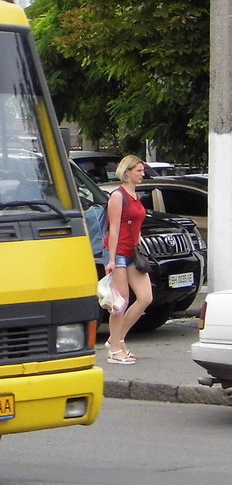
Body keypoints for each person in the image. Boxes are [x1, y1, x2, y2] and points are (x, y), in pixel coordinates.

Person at [104, 154, 152, 364]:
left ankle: (116, 339)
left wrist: (139, 242)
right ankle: (115, 350)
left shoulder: (135, 195)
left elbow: (135, 224)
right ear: (127, 172)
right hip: (118, 252)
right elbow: (113, 229)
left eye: (142, 171)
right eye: (139, 171)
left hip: (133, 252)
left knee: (145, 297)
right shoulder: (117, 196)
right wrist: (112, 260)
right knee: (120, 304)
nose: (143, 174)